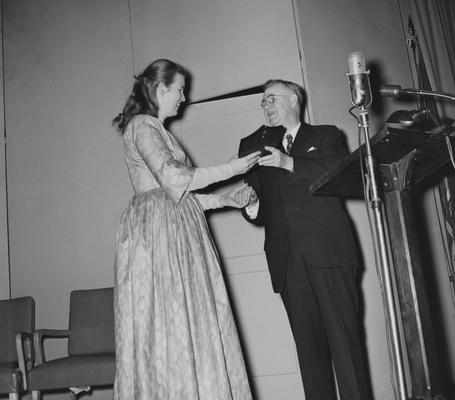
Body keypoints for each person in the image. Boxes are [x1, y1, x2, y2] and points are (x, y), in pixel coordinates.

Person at [112, 58, 260, 400]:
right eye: (179, 89)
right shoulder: (142, 126)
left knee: (190, 319)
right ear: (160, 89)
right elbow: (174, 180)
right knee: (167, 321)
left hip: (175, 227)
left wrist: (227, 200)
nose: (184, 97)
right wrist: (233, 167)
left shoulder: (157, 129)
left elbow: (184, 197)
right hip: (157, 235)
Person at [240, 79, 371, 400]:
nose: (265, 106)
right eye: (263, 101)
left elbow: (342, 173)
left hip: (329, 254)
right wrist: (249, 203)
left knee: (346, 346)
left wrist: (290, 162)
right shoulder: (255, 145)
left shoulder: (325, 136)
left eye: (271, 98)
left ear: (294, 99)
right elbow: (255, 199)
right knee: (309, 353)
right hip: (287, 260)